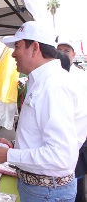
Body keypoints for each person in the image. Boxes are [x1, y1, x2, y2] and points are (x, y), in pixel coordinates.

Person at [0, 21, 87, 201]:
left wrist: (9, 154)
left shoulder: (53, 86)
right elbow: (44, 134)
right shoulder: (42, 81)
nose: (13, 53)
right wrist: (15, 144)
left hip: (47, 192)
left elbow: (59, 155)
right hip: (42, 189)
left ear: (35, 48)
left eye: (17, 46)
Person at [57, 39, 87, 202]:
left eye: (66, 50)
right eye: (59, 49)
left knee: (76, 182)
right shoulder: (51, 74)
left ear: (74, 54)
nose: (61, 53)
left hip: (78, 141)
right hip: (56, 144)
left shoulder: (82, 77)